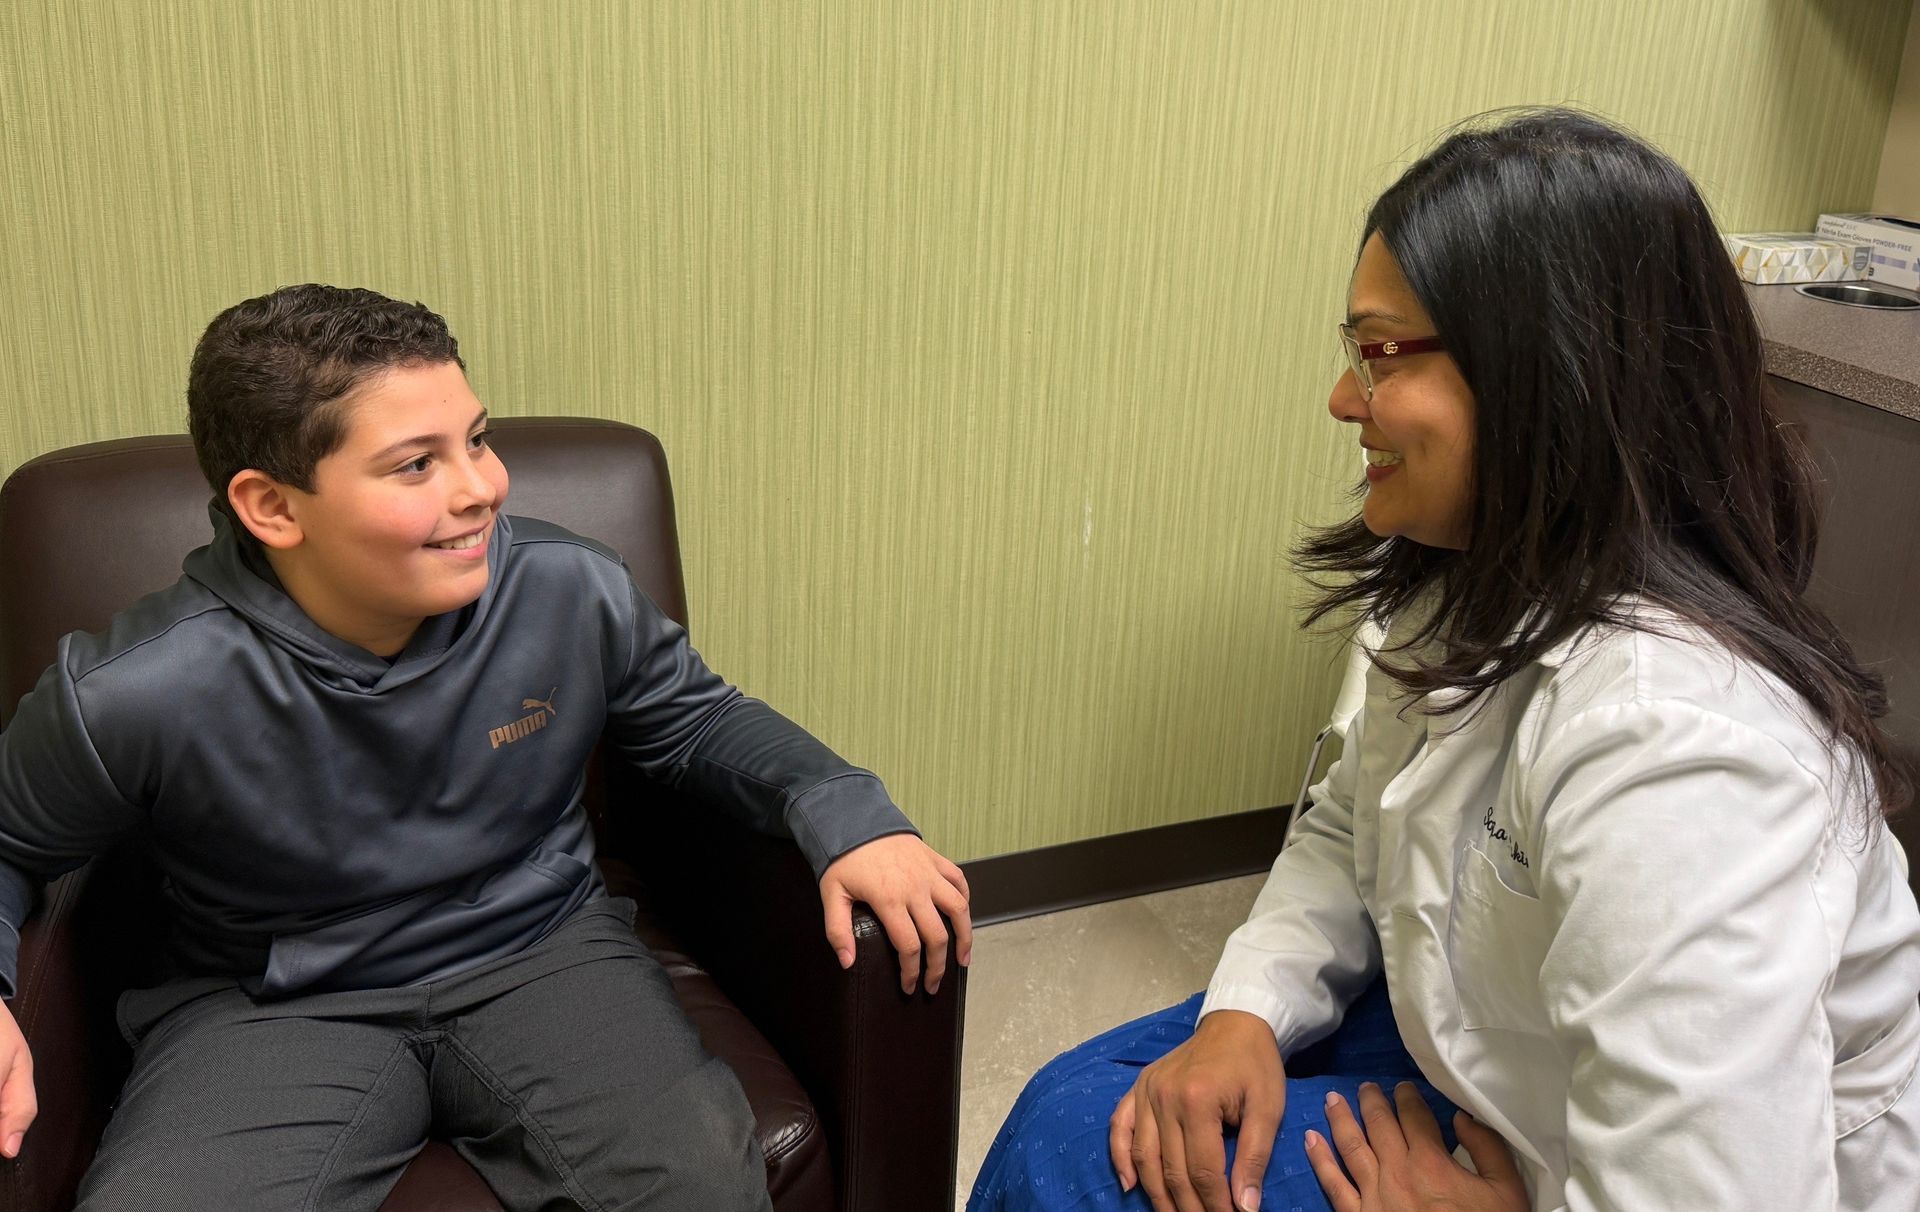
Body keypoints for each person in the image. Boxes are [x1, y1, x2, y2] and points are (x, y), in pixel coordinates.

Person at [971, 108, 1920, 1212]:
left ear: (1545, 375)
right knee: (1087, 1100)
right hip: (1494, 1044)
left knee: (1089, 1172)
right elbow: (1346, 823)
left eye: (1378, 353)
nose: (1342, 400)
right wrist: (1247, 1008)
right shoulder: (1456, 578)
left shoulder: (1683, 752)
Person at [0, 284, 974, 1210]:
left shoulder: (567, 588)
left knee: (703, 1185)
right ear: (274, 507)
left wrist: (842, 807)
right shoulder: (136, 687)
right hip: (272, 1000)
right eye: (417, 464)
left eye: (478, 441)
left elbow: (697, 719)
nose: (482, 490)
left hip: (539, 949)